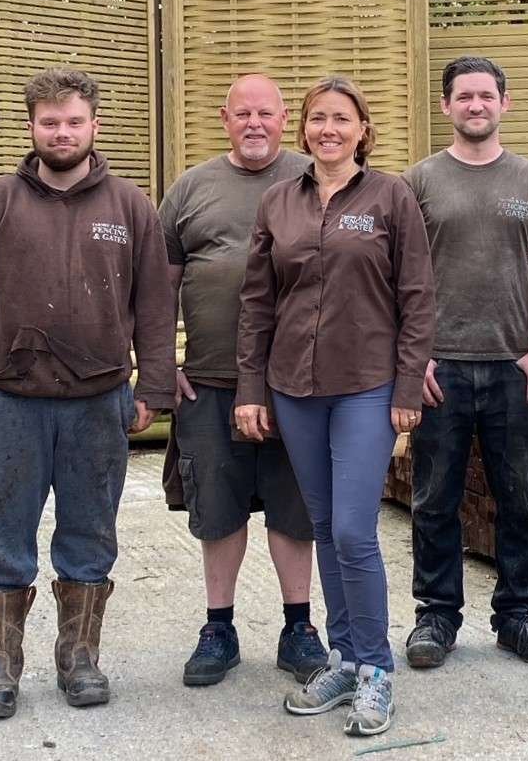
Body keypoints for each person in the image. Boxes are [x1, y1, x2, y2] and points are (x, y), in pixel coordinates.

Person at [0, 68, 176, 718]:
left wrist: (155, 386)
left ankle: (79, 659)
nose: (62, 132)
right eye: (50, 122)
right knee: (1, 538)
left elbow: (155, 305)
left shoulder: (130, 207)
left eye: (73, 121)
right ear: (32, 127)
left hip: (97, 400)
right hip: (11, 400)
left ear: (93, 126)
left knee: (88, 534)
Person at [235, 76, 434, 737]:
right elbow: (257, 304)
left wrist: (408, 389)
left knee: (352, 529)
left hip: (366, 385)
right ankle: (346, 657)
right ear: (305, 129)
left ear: (362, 130)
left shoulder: (391, 197)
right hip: (293, 387)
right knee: (323, 528)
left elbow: (417, 298)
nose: (328, 129)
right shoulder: (276, 203)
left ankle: (376, 667)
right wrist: (250, 389)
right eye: (318, 118)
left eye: (341, 119)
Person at [158, 74, 327, 688]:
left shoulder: (317, 179)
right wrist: (160, 366)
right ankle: (219, 628)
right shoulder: (190, 189)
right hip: (208, 382)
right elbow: (159, 288)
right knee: (219, 511)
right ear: (223, 118)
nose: (254, 124)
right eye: (242, 114)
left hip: (299, 385)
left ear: (287, 119)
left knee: (294, 508)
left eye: (267, 113)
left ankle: (299, 626)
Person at [402, 56, 528, 669]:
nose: (475, 106)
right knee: (434, 498)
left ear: (505, 102)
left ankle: (518, 615)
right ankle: (436, 617)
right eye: (464, 97)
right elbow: (400, 281)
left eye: (486, 96)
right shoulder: (417, 183)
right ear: (446, 106)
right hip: (439, 368)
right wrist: (413, 359)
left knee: (520, 498)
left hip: (513, 368)